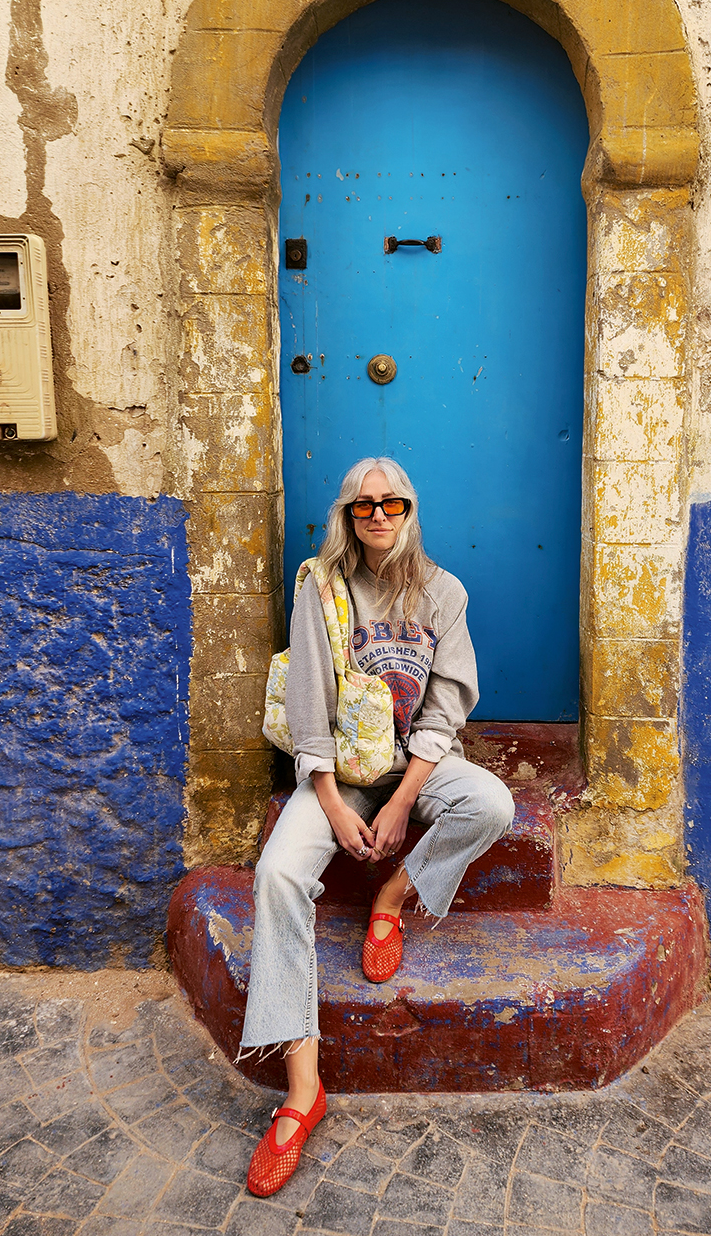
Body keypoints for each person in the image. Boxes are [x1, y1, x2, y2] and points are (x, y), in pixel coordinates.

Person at [241, 456, 515, 1197]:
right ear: (347, 516)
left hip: (415, 769)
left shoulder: (442, 593)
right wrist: (330, 800)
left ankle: (391, 898)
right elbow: (306, 699)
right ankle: (304, 1092)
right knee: (277, 874)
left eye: (393, 504)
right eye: (365, 506)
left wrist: (401, 803)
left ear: (410, 511)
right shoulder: (320, 587)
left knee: (493, 804)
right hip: (338, 773)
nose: (379, 516)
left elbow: (448, 703)